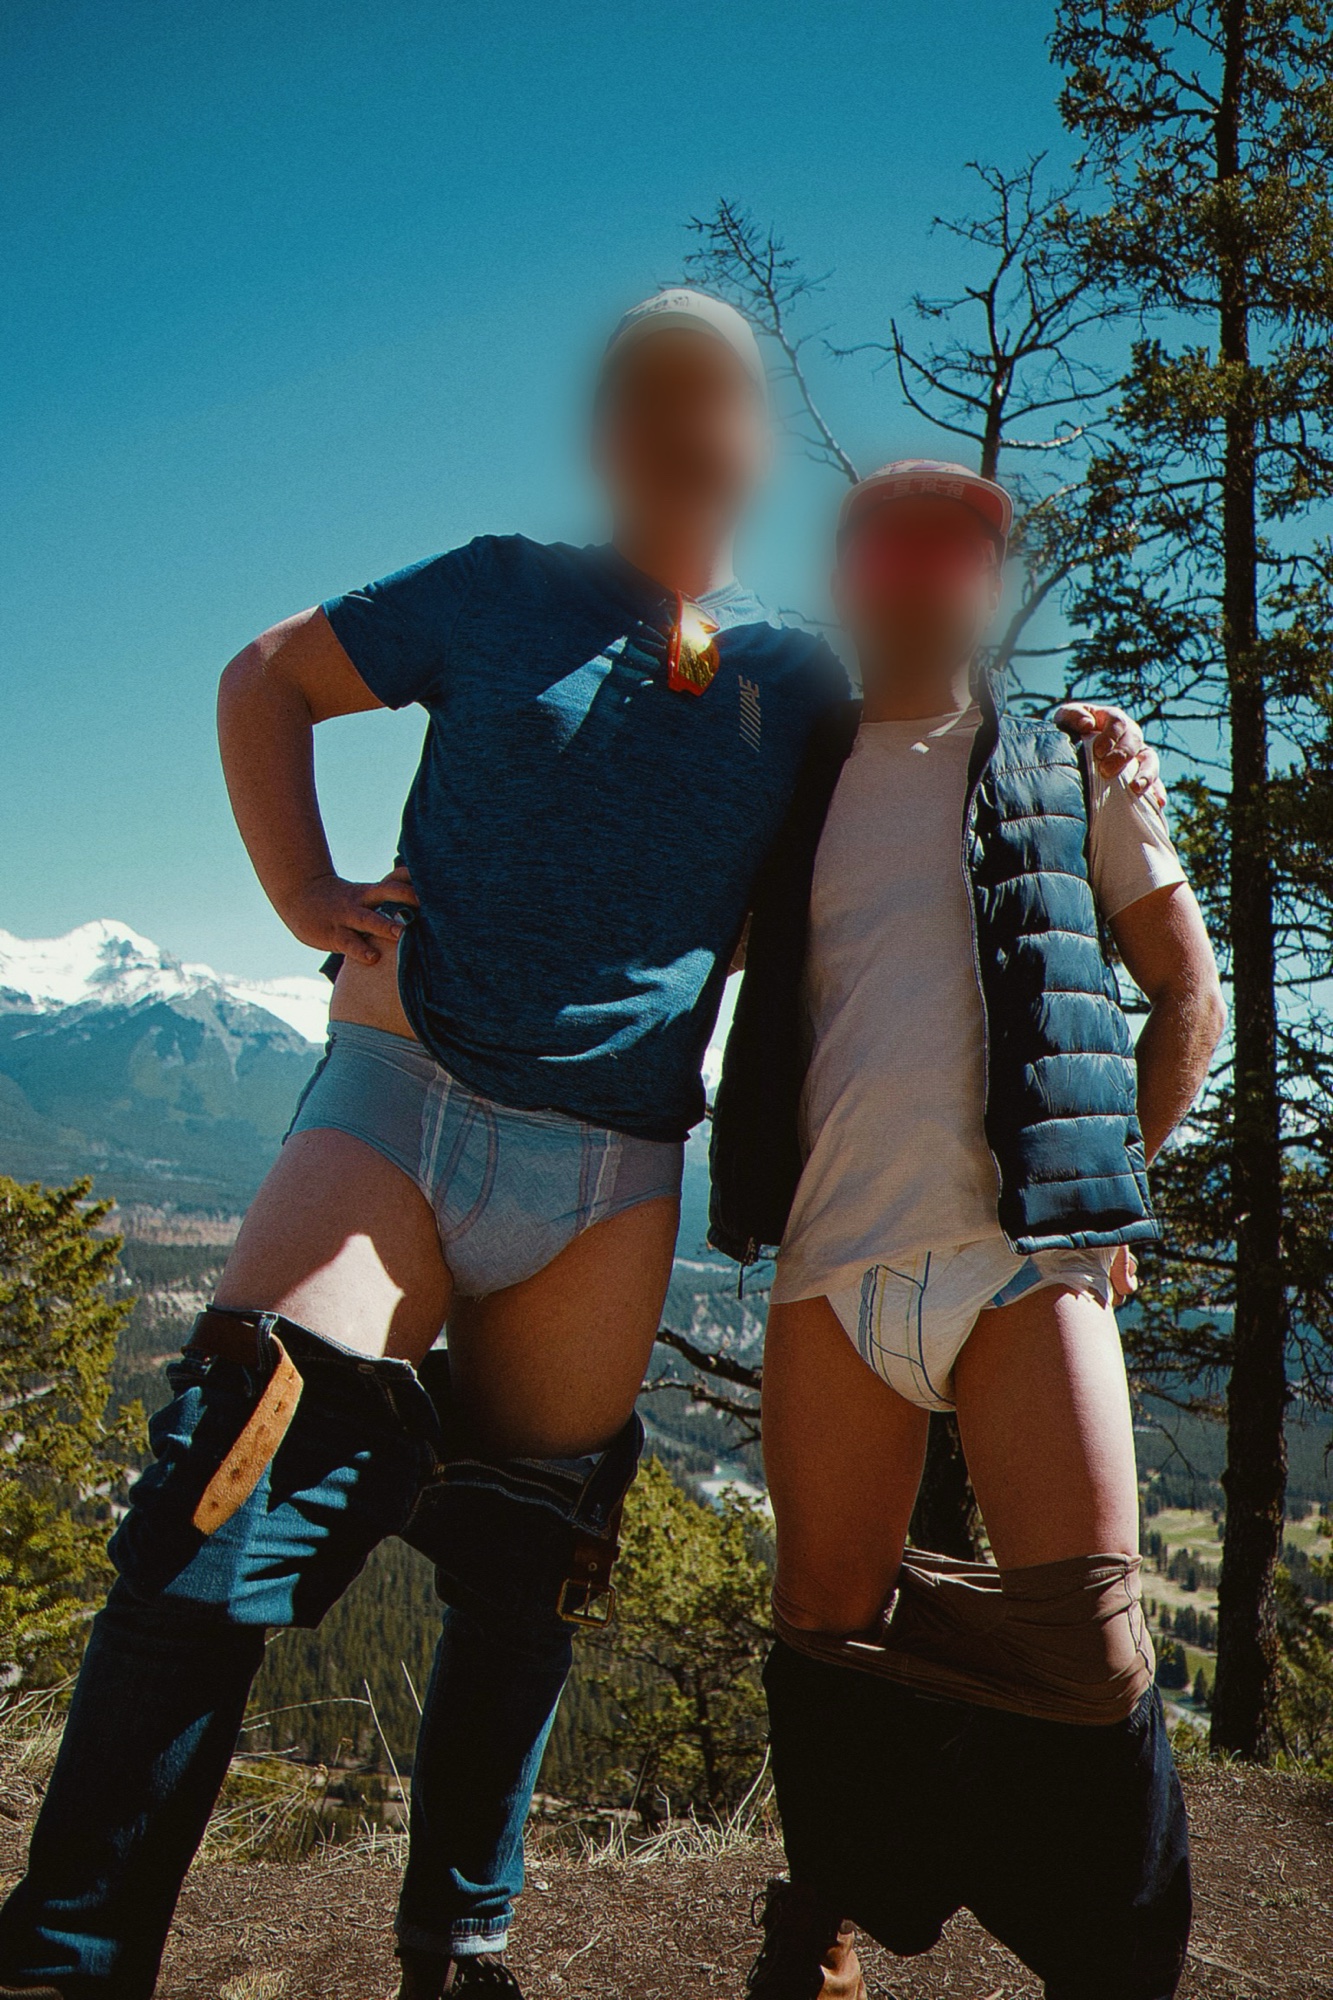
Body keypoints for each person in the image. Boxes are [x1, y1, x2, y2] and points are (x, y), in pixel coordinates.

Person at [0, 302, 1161, 2000]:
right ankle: (68, 1958)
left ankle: (458, 1948)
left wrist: (1082, 744)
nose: (685, 428)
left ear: (756, 446)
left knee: (526, 1567)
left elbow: (911, 794)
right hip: (404, 1104)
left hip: (610, 1168)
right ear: (606, 438)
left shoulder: (795, 682)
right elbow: (267, 678)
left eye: (719, 401)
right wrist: (306, 897)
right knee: (222, 1490)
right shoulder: (497, 587)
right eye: (647, 399)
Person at [709, 461, 1225, 2000]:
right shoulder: (785, 779)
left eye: (954, 555)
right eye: (890, 552)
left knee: (1088, 1643)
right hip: (830, 1270)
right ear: (852, 579)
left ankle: (1113, 1960)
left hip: (1023, 1271)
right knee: (824, 1627)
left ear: (984, 587)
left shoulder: (1074, 763)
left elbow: (1185, 992)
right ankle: (830, 1914)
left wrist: (1103, 1178)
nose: (920, 579)